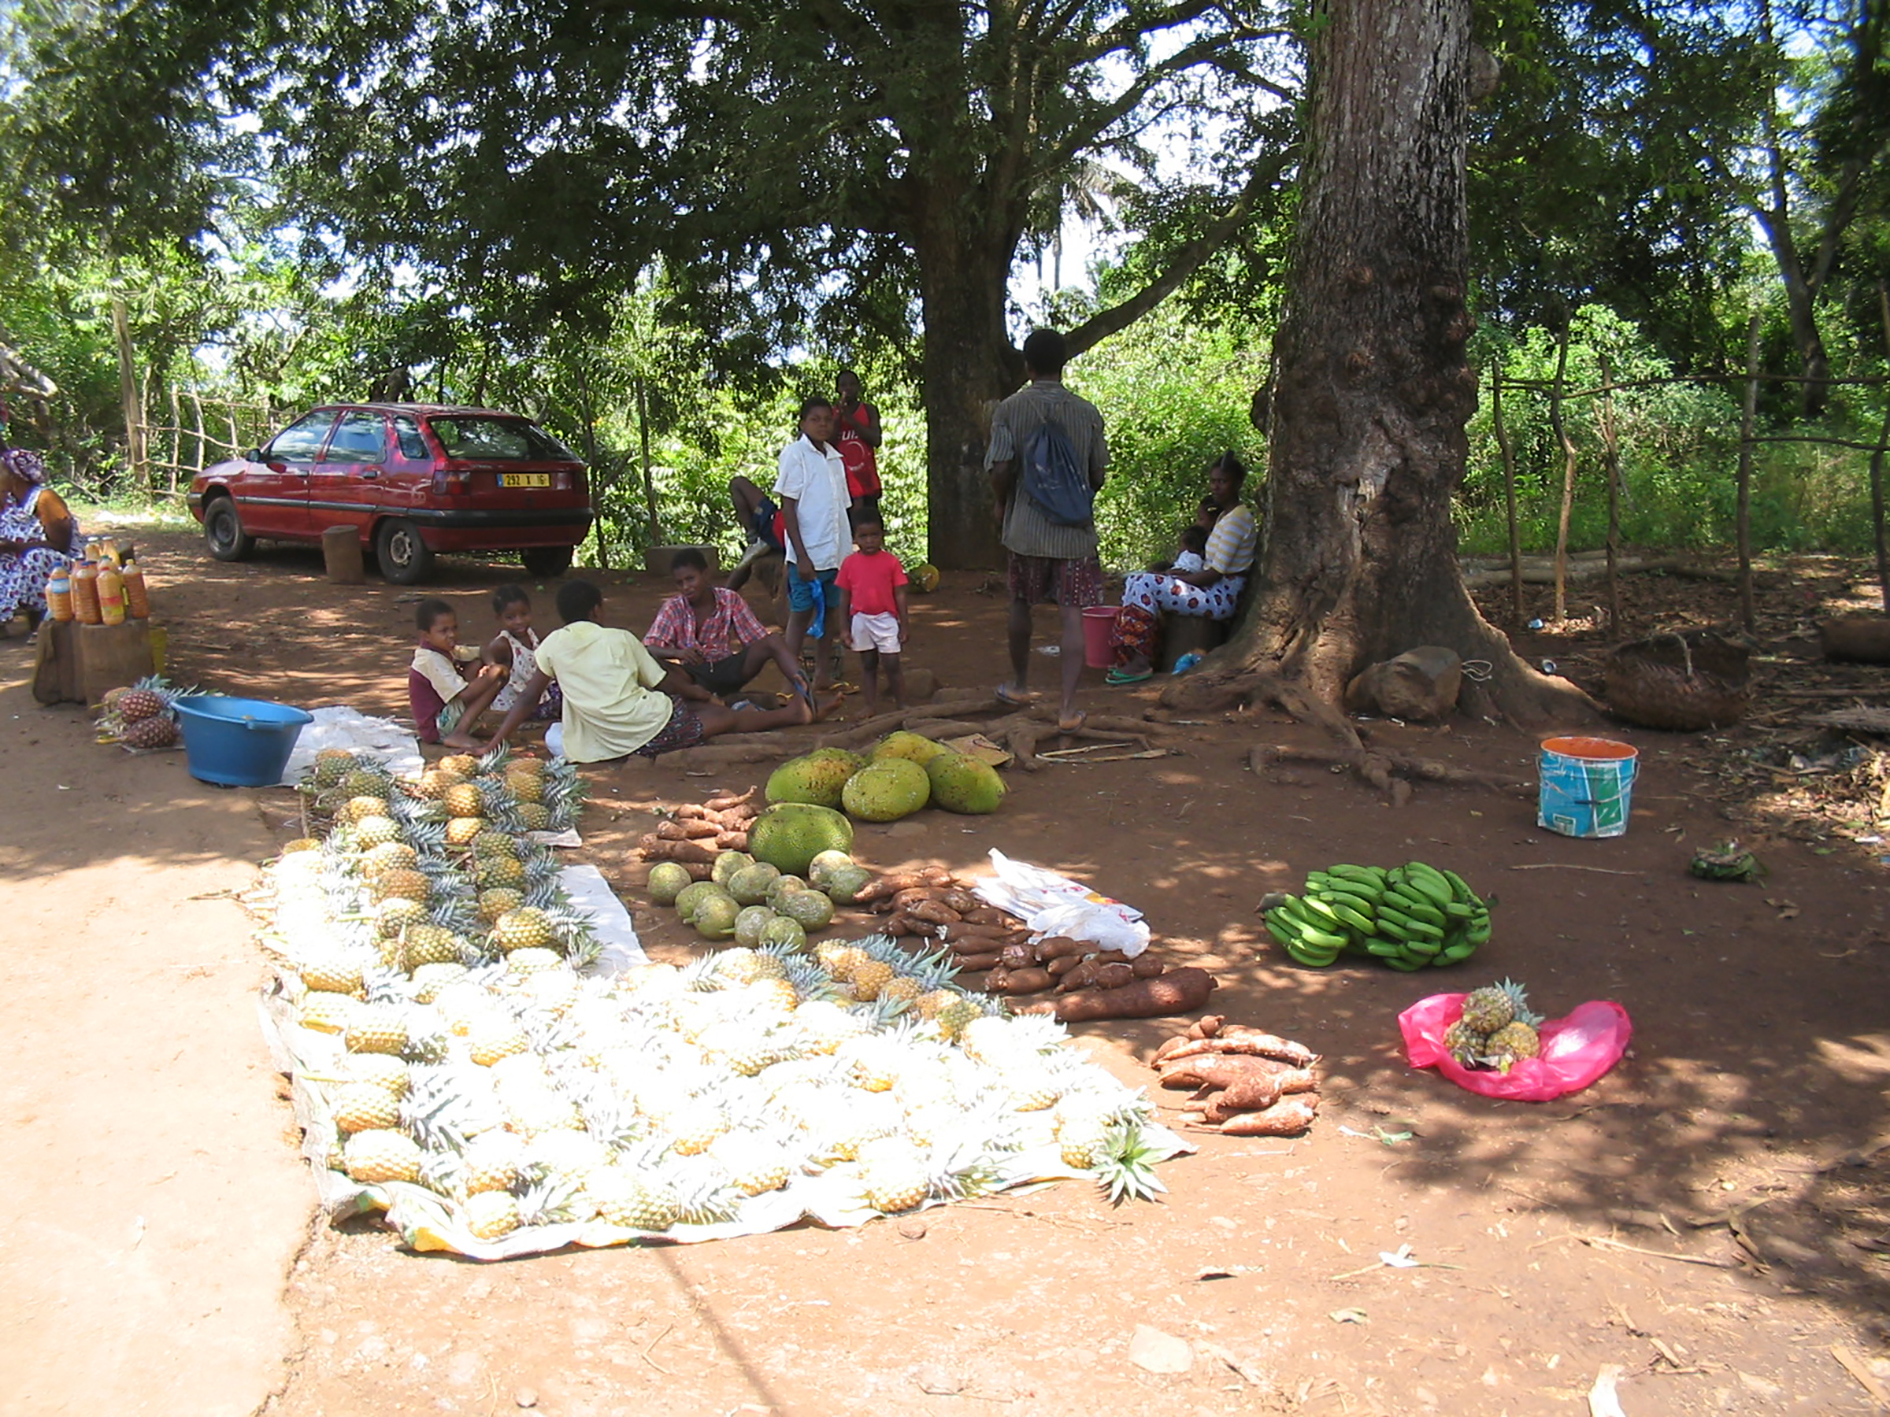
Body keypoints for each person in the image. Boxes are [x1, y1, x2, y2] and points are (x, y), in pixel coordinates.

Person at [474, 579, 828, 764]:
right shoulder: (621, 639)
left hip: (598, 739)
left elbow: (525, 701)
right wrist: (702, 694)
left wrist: (493, 743)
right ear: (597, 610)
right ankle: (793, 713)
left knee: (555, 735)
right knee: (721, 717)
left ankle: (772, 709)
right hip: (648, 728)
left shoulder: (551, 643)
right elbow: (666, 684)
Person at [984, 327, 1108, 733]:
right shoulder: (1087, 412)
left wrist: (1002, 502)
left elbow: (1001, 466)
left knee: (1021, 603)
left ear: (1028, 364)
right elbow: (1097, 474)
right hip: (1074, 533)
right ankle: (1068, 709)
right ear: (1063, 364)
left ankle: (1020, 685)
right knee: (1072, 616)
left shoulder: (1009, 410)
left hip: (1026, 529)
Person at [1105, 453, 1257, 684]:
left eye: (1223, 481)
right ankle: (1136, 656)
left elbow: (1215, 573)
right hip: (1210, 589)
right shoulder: (1226, 516)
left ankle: (1139, 662)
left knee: (1145, 583)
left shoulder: (1238, 519)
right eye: (1213, 480)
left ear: (1237, 483)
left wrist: (1181, 582)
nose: (1216, 486)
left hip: (1220, 597)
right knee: (1138, 580)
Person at [641, 548, 810, 704]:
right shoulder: (673, 607)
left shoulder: (729, 599)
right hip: (692, 676)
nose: (686, 587)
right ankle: (718, 699)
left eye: (690, 579)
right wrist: (678, 653)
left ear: (706, 575)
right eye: (680, 583)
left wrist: (765, 651)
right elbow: (648, 648)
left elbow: (757, 639)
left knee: (773, 641)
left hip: (727, 669)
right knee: (652, 663)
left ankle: (805, 691)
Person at [773, 395, 852, 693]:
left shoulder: (835, 459)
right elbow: (789, 507)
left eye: (827, 420)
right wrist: (801, 556)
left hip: (836, 553)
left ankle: (822, 674)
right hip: (808, 554)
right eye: (815, 419)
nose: (822, 425)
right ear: (803, 423)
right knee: (800, 615)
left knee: (831, 612)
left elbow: (841, 510)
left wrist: (849, 552)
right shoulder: (795, 454)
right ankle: (788, 679)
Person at [0, 447, 82, 637]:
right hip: (20, 556)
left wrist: (15, 547)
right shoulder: (10, 499)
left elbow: (60, 545)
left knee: (36, 558)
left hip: (62, 563)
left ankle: (45, 619)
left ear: (15, 476)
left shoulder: (46, 499)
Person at [408, 597, 509, 748]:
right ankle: (459, 732)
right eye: (443, 631)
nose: (452, 634)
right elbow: (465, 695)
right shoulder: (430, 659)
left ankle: (468, 726)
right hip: (436, 727)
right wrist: (495, 671)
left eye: (454, 628)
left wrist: (491, 664)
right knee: (496, 679)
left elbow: (482, 650)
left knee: (476, 663)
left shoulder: (447, 650)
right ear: (425, 636)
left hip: (445, 712)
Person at [833, 517, 909, 714]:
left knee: (892, 663)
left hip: (886, 618)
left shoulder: (891, 562)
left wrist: (905, 625)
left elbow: (900, 594)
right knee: (868, 664)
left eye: (874, 535)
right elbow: (844, 597)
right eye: (863, 536)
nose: (869, 541)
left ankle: (901, 704)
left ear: (882, 536)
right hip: (860, 619)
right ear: (855, 538)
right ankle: (869, 705)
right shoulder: (849, 563)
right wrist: (844, 628)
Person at [484, 584, 563, 723]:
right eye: (510, 617)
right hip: (518, 703)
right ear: (499, 618)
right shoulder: (502, 644)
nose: (519, 621)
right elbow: (488, 661)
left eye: (524, 614)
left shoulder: (536, 636)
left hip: (537, 696)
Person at [833, 369, 883, 530]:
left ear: (859, 387)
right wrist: (839, 417)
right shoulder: (832, 414)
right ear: (837, 389)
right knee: (845, 528)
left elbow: (876, 439)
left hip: (865, 478)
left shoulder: (868, 410)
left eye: (852, 384)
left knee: (868, 526)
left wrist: (851, 420)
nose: (848, 389)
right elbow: (829, 443)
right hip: (842, 480)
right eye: (843, 385)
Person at [724, 475, 786, 593]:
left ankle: (754, 540)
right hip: (781, 525)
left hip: (779, 528)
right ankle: (755, 541)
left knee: (738, 484)